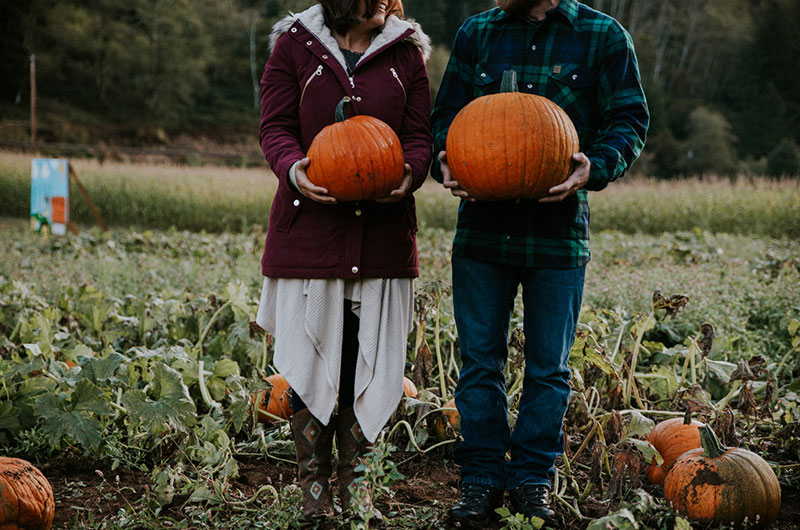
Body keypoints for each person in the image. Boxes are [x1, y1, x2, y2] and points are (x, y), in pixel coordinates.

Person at [431, 0, 648, 527]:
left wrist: (593, 167)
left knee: (548, 369)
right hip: (482, 231)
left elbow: (629, 119)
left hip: (557, 235)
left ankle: (532, 482)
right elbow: (445, 119)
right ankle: (481, 482)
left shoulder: (603, 35)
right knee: (480, 363)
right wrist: (443, 158)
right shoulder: (476, 34)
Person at [255, 0, 432, 523]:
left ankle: (358, 488)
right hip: (311, 232)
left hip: (381, 237)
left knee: (365, 363)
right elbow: (275, 127)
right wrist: (294, 169)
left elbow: (420, 136)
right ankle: (313, 492)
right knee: (313, 362)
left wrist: (409, 173)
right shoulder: (293, 45)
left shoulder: (407, 54)